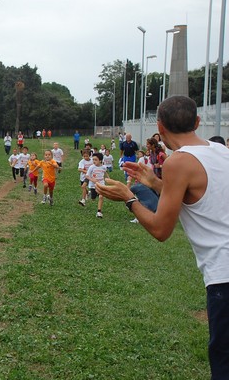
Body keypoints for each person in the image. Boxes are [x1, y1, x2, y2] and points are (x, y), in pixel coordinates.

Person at [96, 96, 229, 379]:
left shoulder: (178, 162)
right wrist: (156, 183)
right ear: (197, 122)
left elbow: (160, 230)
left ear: (159, 126)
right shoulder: (220, 151)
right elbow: (201, 198)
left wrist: (129, 198)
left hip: (225, 277)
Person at [85, 152, 108, 218]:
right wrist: (93, 180)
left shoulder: (104, 167)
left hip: (101, 184)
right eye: (93, 160)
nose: (94, 161)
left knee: (101, 196)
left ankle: (99, 212)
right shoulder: (91, 167)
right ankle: (89, 194)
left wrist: (108, 179)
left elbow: (105, 173)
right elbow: (87, 176)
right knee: (93, 198)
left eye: (95, 160)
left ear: (100, 160)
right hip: (93, 185)